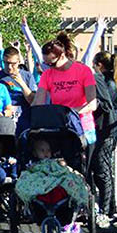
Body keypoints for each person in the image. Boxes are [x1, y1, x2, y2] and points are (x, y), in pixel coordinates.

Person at [33, 32, 99, 167]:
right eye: (46, 63)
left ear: (62, 56)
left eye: (51, 64)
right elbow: (38, 103)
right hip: (60, 129)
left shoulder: (83, 71)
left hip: (83, 128)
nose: (48, 67)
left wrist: (72, 111)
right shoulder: (47, 75)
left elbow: (92, 104)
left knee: (82, 169)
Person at [15, 138, 91, 233]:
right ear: (35, 153)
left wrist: (63, 166)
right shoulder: (33, 164)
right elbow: (29, 172)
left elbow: (64, 170)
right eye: (42, 150)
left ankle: (74, 219)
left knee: (72, 178)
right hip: (41, 187)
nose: (46, 153)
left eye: (48, 150)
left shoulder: (56, 161)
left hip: (58, 186)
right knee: (27, 179)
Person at [90, 52, 117, 228]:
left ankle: (107, 211)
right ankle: (111, 209)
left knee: (102, 171)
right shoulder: (114, 81)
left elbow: (104, 106)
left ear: (99, 65)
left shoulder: (106, 82)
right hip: (107, 131)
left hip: (105, 131)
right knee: (102, 170)